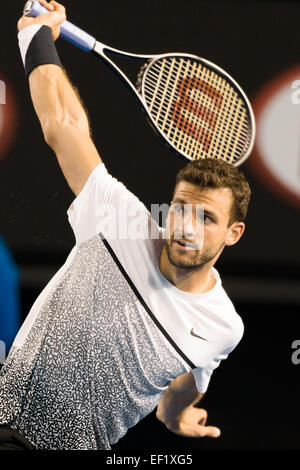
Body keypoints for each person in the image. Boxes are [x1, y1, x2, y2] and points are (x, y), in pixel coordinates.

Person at [0, 0, 251, 450]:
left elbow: (187, 379)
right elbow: (63, 125)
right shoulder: (120, 219)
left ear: (234, 233)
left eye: (207, 217)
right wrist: (35, 36)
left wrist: (176, 419)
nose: (185, 227)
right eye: (180, 208)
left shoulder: (223, 327)